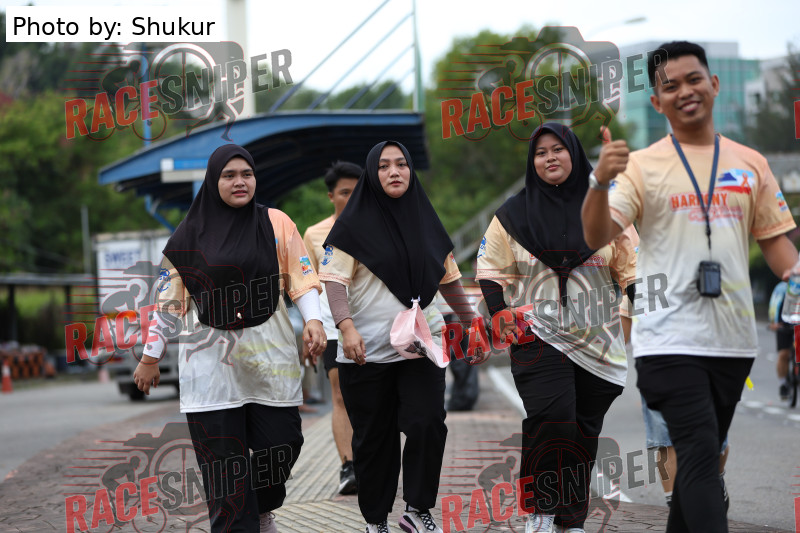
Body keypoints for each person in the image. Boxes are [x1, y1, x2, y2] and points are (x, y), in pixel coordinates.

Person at [581, 41, 799, 533]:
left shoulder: (751, 163)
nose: (685, 91)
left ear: (714, 84)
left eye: (694, 79)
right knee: (700, 454)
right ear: (656, 101)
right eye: (671, 86)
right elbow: (596, 235)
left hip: (733, 341)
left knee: (700, 458)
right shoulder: (640, 166)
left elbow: (775, 242)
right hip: (667, 339)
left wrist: (796, 274)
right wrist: (598, 182)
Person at [132, 144, 327, 533]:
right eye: (229, 175)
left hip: (270, 366)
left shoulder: (276, 223)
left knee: (282, 445)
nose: (240, 182)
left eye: (247, 174)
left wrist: (314, 321)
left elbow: (302, 278)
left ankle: (262, 509)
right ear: (213, 181)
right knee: (225, 475)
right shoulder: (187, 238)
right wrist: (150, 357)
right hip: (211, 374)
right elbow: (168, 304)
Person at [476, 123, 637, 533]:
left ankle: (571, 518)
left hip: (598, 341)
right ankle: (541, 509)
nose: (549, 158)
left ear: (574, 154)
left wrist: (643, 311)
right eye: (540, 152)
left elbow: (632, 268)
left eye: (557, 149)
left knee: (583, 431)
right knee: (554, 420)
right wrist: (498, 312)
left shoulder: (609, 208)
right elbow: (491, 269)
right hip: (537, 333)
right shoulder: (512, 214)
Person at [318, 140, 482, 533]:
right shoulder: (351, 227)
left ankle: (417, 509)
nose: (395, 172)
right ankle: (376, 520)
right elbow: (334, 281)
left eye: (402, 164)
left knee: (428, 422)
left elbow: (448, 278)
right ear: (373, 175)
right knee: (375, 440)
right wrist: (346, 327)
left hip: (420, 347)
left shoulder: (426, 221)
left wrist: (473, 325)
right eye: (384, 166)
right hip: (365, 353)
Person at [302, 160, 362, 494]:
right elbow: (308, 285)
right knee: (340, 396)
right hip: (332, 325)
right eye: (344, 193)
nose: (351, 198)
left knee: (375, 398)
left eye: (357, 191)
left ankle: (372, 461)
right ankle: (348, 466)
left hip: (372, 325)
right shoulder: (314, 234)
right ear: (330, 196)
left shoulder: (378, 226)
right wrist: (310, 327)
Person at [768, 281, 795, 399]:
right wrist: (773, 322)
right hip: (783, 324)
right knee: (784, 354)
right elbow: (774, 305)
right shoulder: (782, 287)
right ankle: (783, 384)